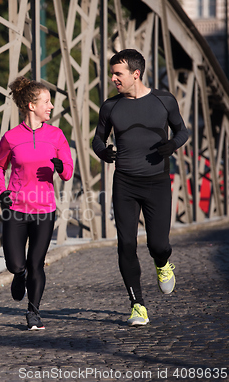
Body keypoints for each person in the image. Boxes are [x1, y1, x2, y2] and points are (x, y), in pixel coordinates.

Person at [92, 49, 189, 326]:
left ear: (136, 74)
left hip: (157, 182)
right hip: (125, 183)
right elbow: (97, 140)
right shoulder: (110, 107)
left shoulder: (164, 100)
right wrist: (103, 152)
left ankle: (162, 263)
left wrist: (173, 144)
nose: (113, 79)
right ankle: (137, 305)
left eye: (118, 73)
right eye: (112, 73)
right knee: (126, 245)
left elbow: (183, 130)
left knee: (158, 244)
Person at [0, 76, 74, 330]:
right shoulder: (11, 137)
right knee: (17, 264)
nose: (51, 106)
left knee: (36, 263)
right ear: (31, 105)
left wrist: (61, 168)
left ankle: (33, 312)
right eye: (46, 102)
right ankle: (19, 274)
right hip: (16, 208)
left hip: (44, 210)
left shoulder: (56, 136)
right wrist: (1, 192)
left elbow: (68, 171)